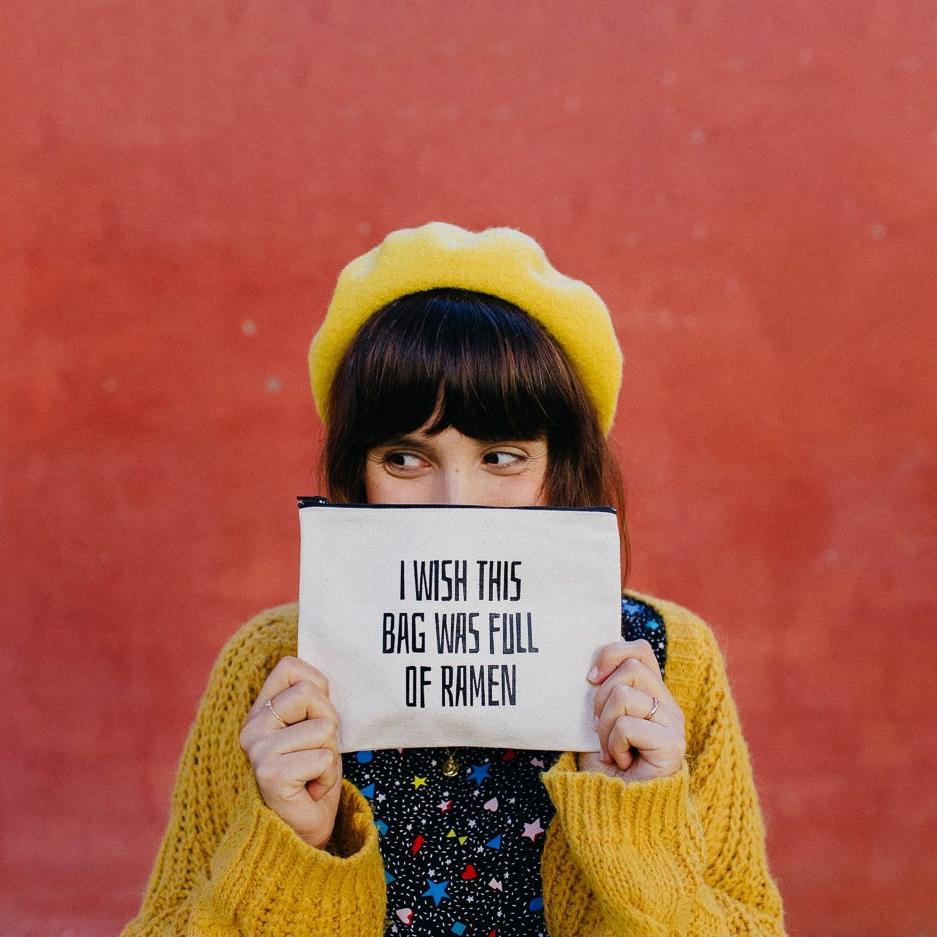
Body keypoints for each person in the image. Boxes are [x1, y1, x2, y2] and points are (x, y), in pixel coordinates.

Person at [123, 222, 786, 936]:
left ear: (560, 469)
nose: (454, 501)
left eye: (501, 456)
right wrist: (289, 840)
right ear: (356, 473)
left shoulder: (665, 662)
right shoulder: (274, 671)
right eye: (404, 459)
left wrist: (639, 825)